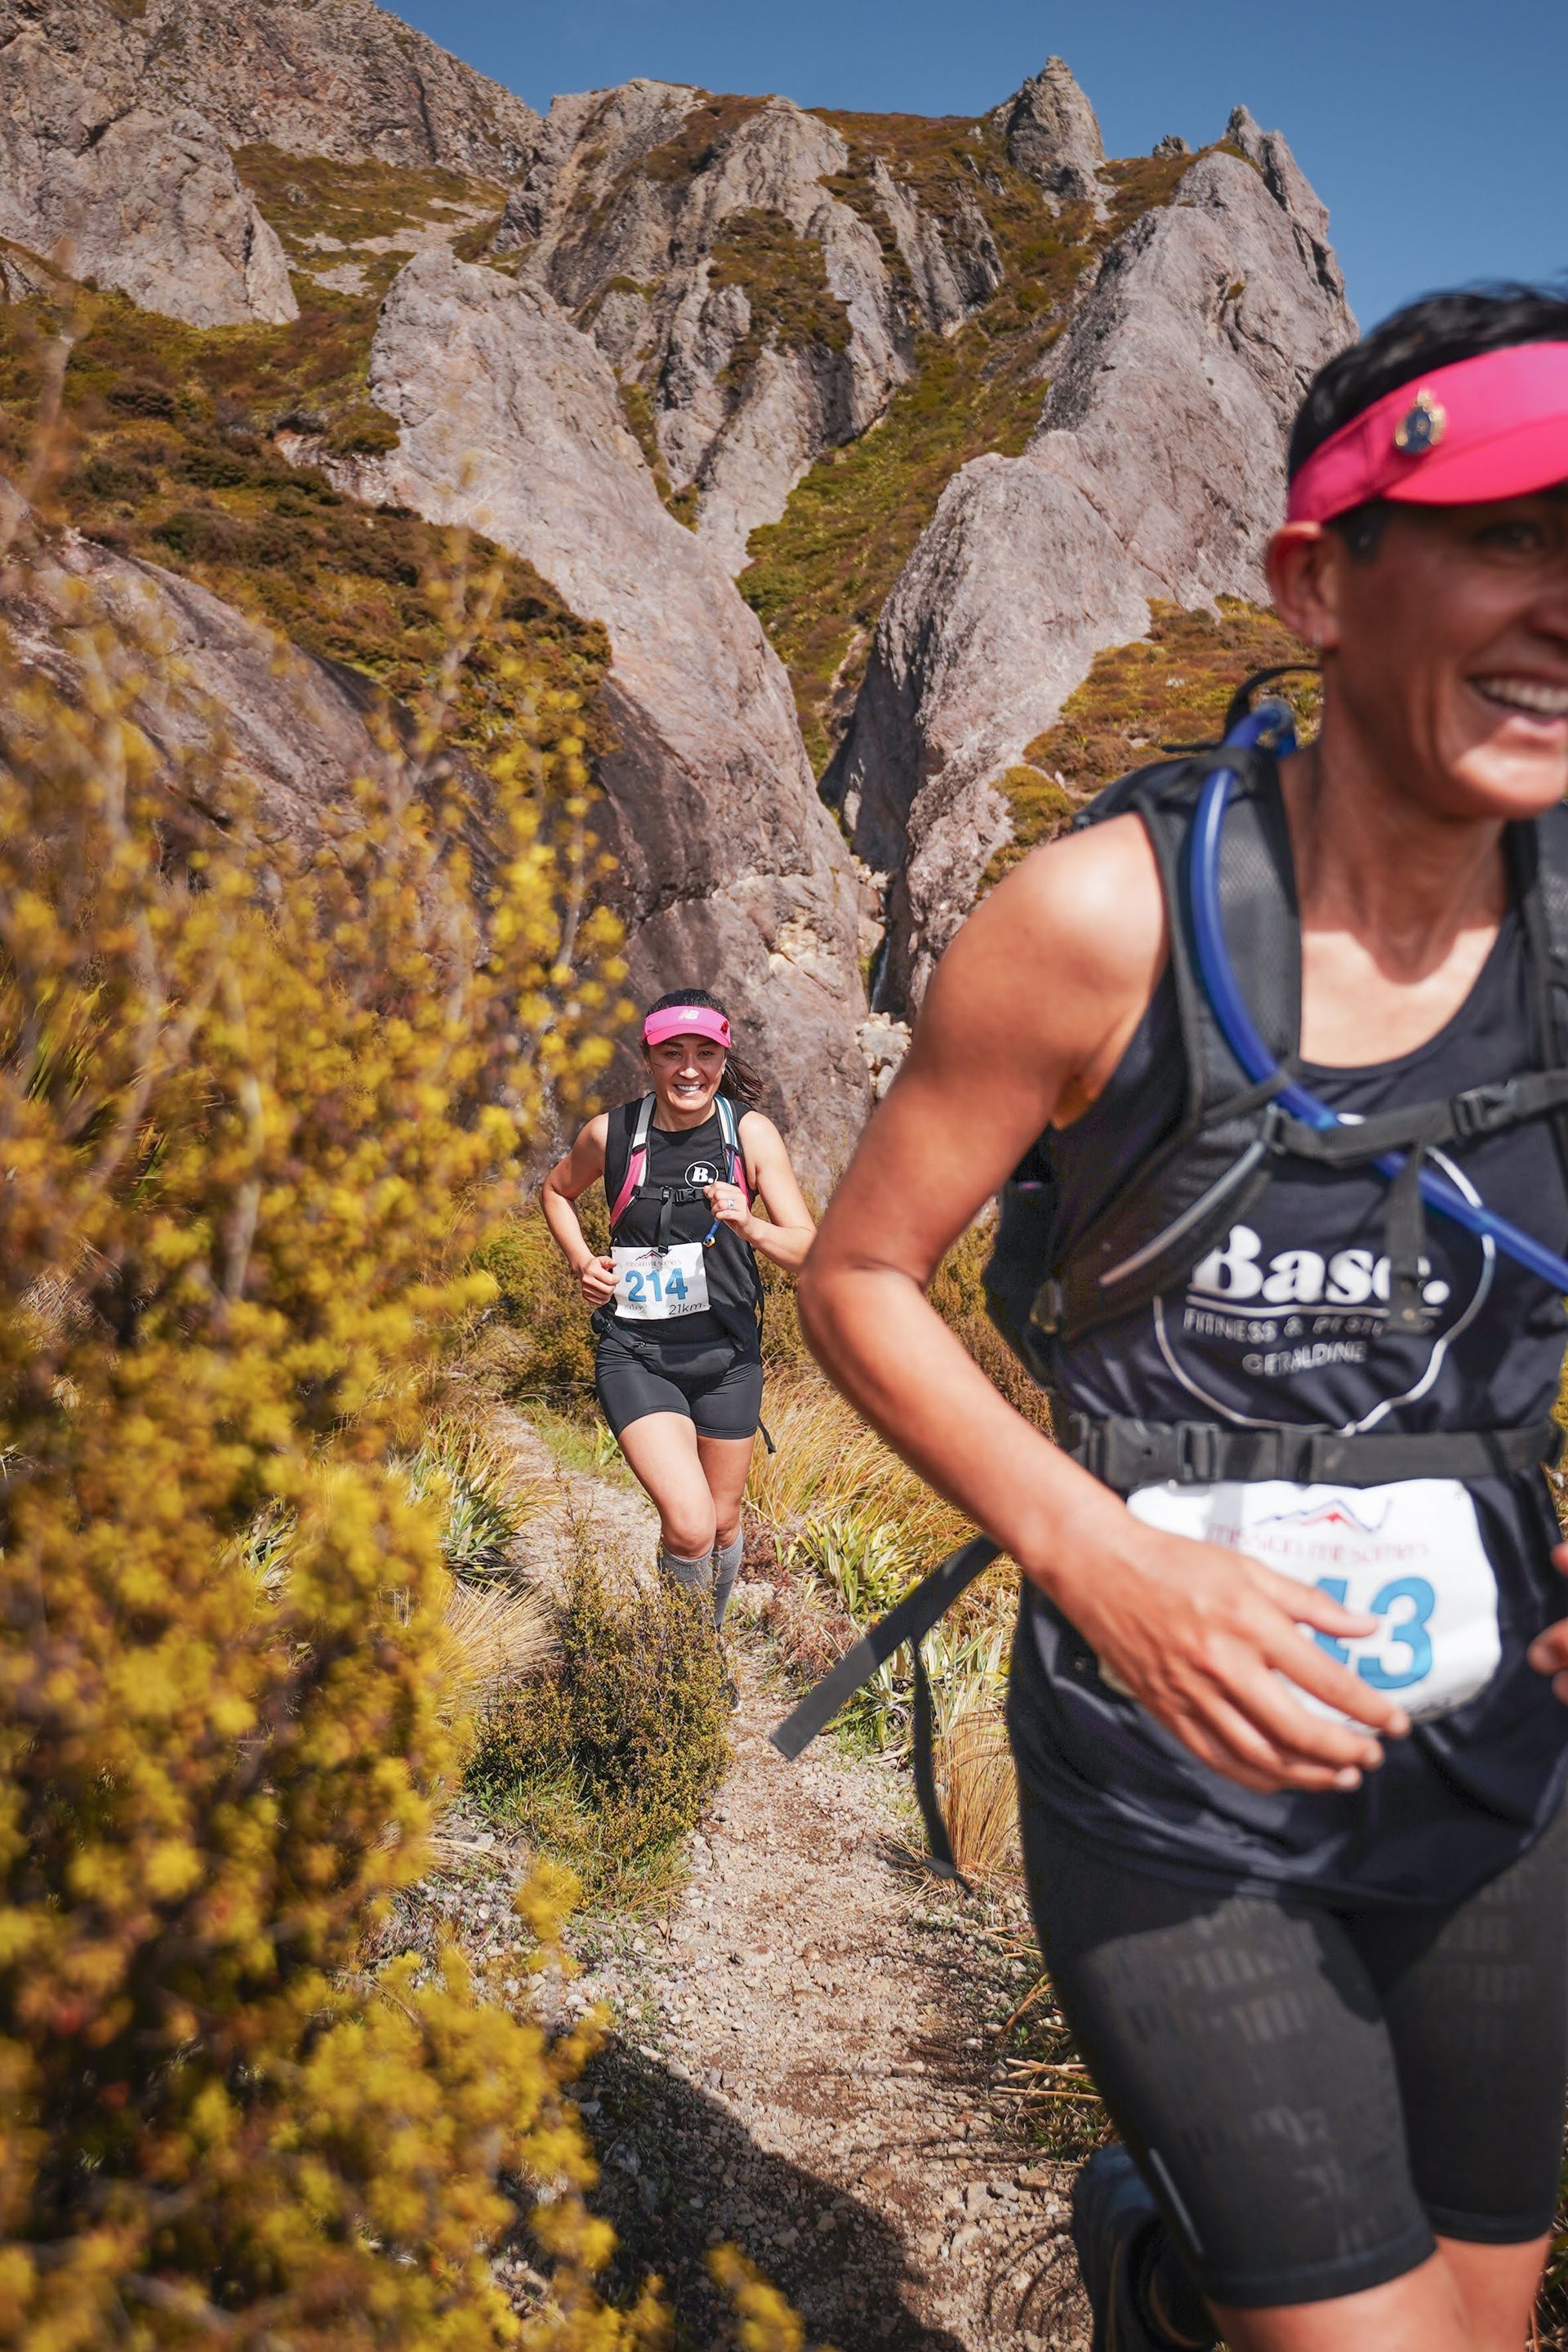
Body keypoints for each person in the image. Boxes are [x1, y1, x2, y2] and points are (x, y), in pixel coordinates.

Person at [797, 286, 1568, 2352]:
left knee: (1482, 2323)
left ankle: (1158, 2277)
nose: (1561, 605)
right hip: (1166, 1782)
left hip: (1497, 1760)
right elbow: (860, 1275)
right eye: (1514, 533)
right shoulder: (1098, 922)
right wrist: (1102, 1561)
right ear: (1321, 581)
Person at [541, 991, 814, 1620]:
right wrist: (585, 1262)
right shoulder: (612, 1133)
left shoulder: (747, 1134)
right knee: (689, 1525)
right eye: (673, 1053)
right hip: (638, 1355)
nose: (690, 1069)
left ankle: (704, 1643)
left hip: (729, 1360)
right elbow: (556, 1192)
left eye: (705, 1053)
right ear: (648, 1058)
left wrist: (750, 1226)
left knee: (721, 1524)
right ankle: (681, 1664)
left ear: (723, 1058)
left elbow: (807, 1251)